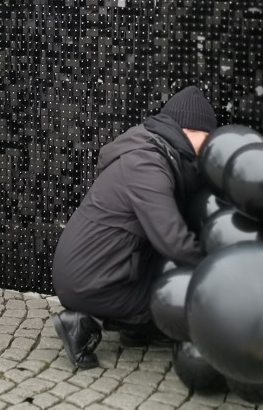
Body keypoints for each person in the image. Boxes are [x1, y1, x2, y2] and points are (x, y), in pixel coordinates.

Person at [51, 86, 218, 369]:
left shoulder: (151, 152)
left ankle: (132, 328)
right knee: (170, 303)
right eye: (209, 136)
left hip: (101, 268)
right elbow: (174, 242)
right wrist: (221, 269)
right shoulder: (146, 165)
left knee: (165, 286)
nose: (211, 145)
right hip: (88, 279)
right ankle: (84, 321)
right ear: (190, 130)